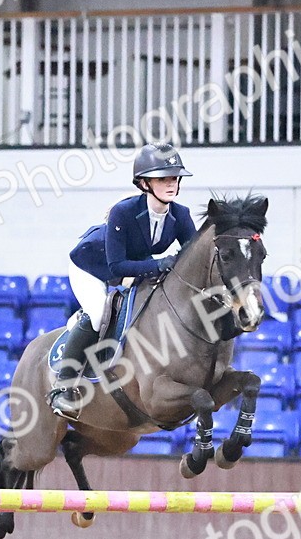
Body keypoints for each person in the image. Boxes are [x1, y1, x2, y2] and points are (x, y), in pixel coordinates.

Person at [48, 142, 196, 416]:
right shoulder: (124, 212)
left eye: (174, 177)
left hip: (131, 265)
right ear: (144, 183)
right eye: (163, 178)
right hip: (91, 265)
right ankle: (63, 387)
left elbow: (191, 259)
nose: (171, 183)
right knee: (98, 312)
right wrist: (159, 264)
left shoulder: (181, 215)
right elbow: (116, 267)